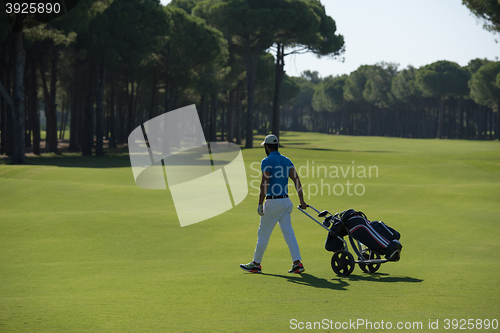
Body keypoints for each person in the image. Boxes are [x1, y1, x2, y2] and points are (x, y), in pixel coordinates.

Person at [240, 134, 308, 274]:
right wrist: (301, 201)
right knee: (289, 233)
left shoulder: (267, 161)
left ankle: (256, 264)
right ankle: (297, 263)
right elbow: (296, 180)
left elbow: (265, 182)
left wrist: (260, 203)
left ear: (267, 146)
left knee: (263, 233)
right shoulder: (286, 160)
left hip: (273, 202)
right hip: (286, 202)